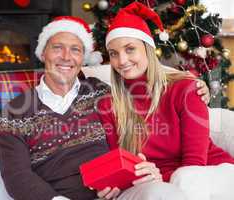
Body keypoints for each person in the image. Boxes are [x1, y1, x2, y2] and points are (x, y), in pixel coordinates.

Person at [0, 15, 210, 200]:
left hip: (118, 193)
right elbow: (16, 176)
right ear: (43, 53)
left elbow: (146, 85)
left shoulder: (101, 93)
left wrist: (196, 87)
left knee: (162, 194)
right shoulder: (14, 112)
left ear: (83, 59)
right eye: (57, 48)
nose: (66, 57)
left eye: (75, 50)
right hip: (57, 197)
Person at [97, 2, 234, 200]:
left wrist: (160, 178)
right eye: (114, 54)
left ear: (147, 49)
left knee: (186, 180)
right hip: (160, 187)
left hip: (212, 174)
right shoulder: (109, 104)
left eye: (130, 49)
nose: (122, 60)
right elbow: (122, 165)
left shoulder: (185, 90)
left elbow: (194, 164)